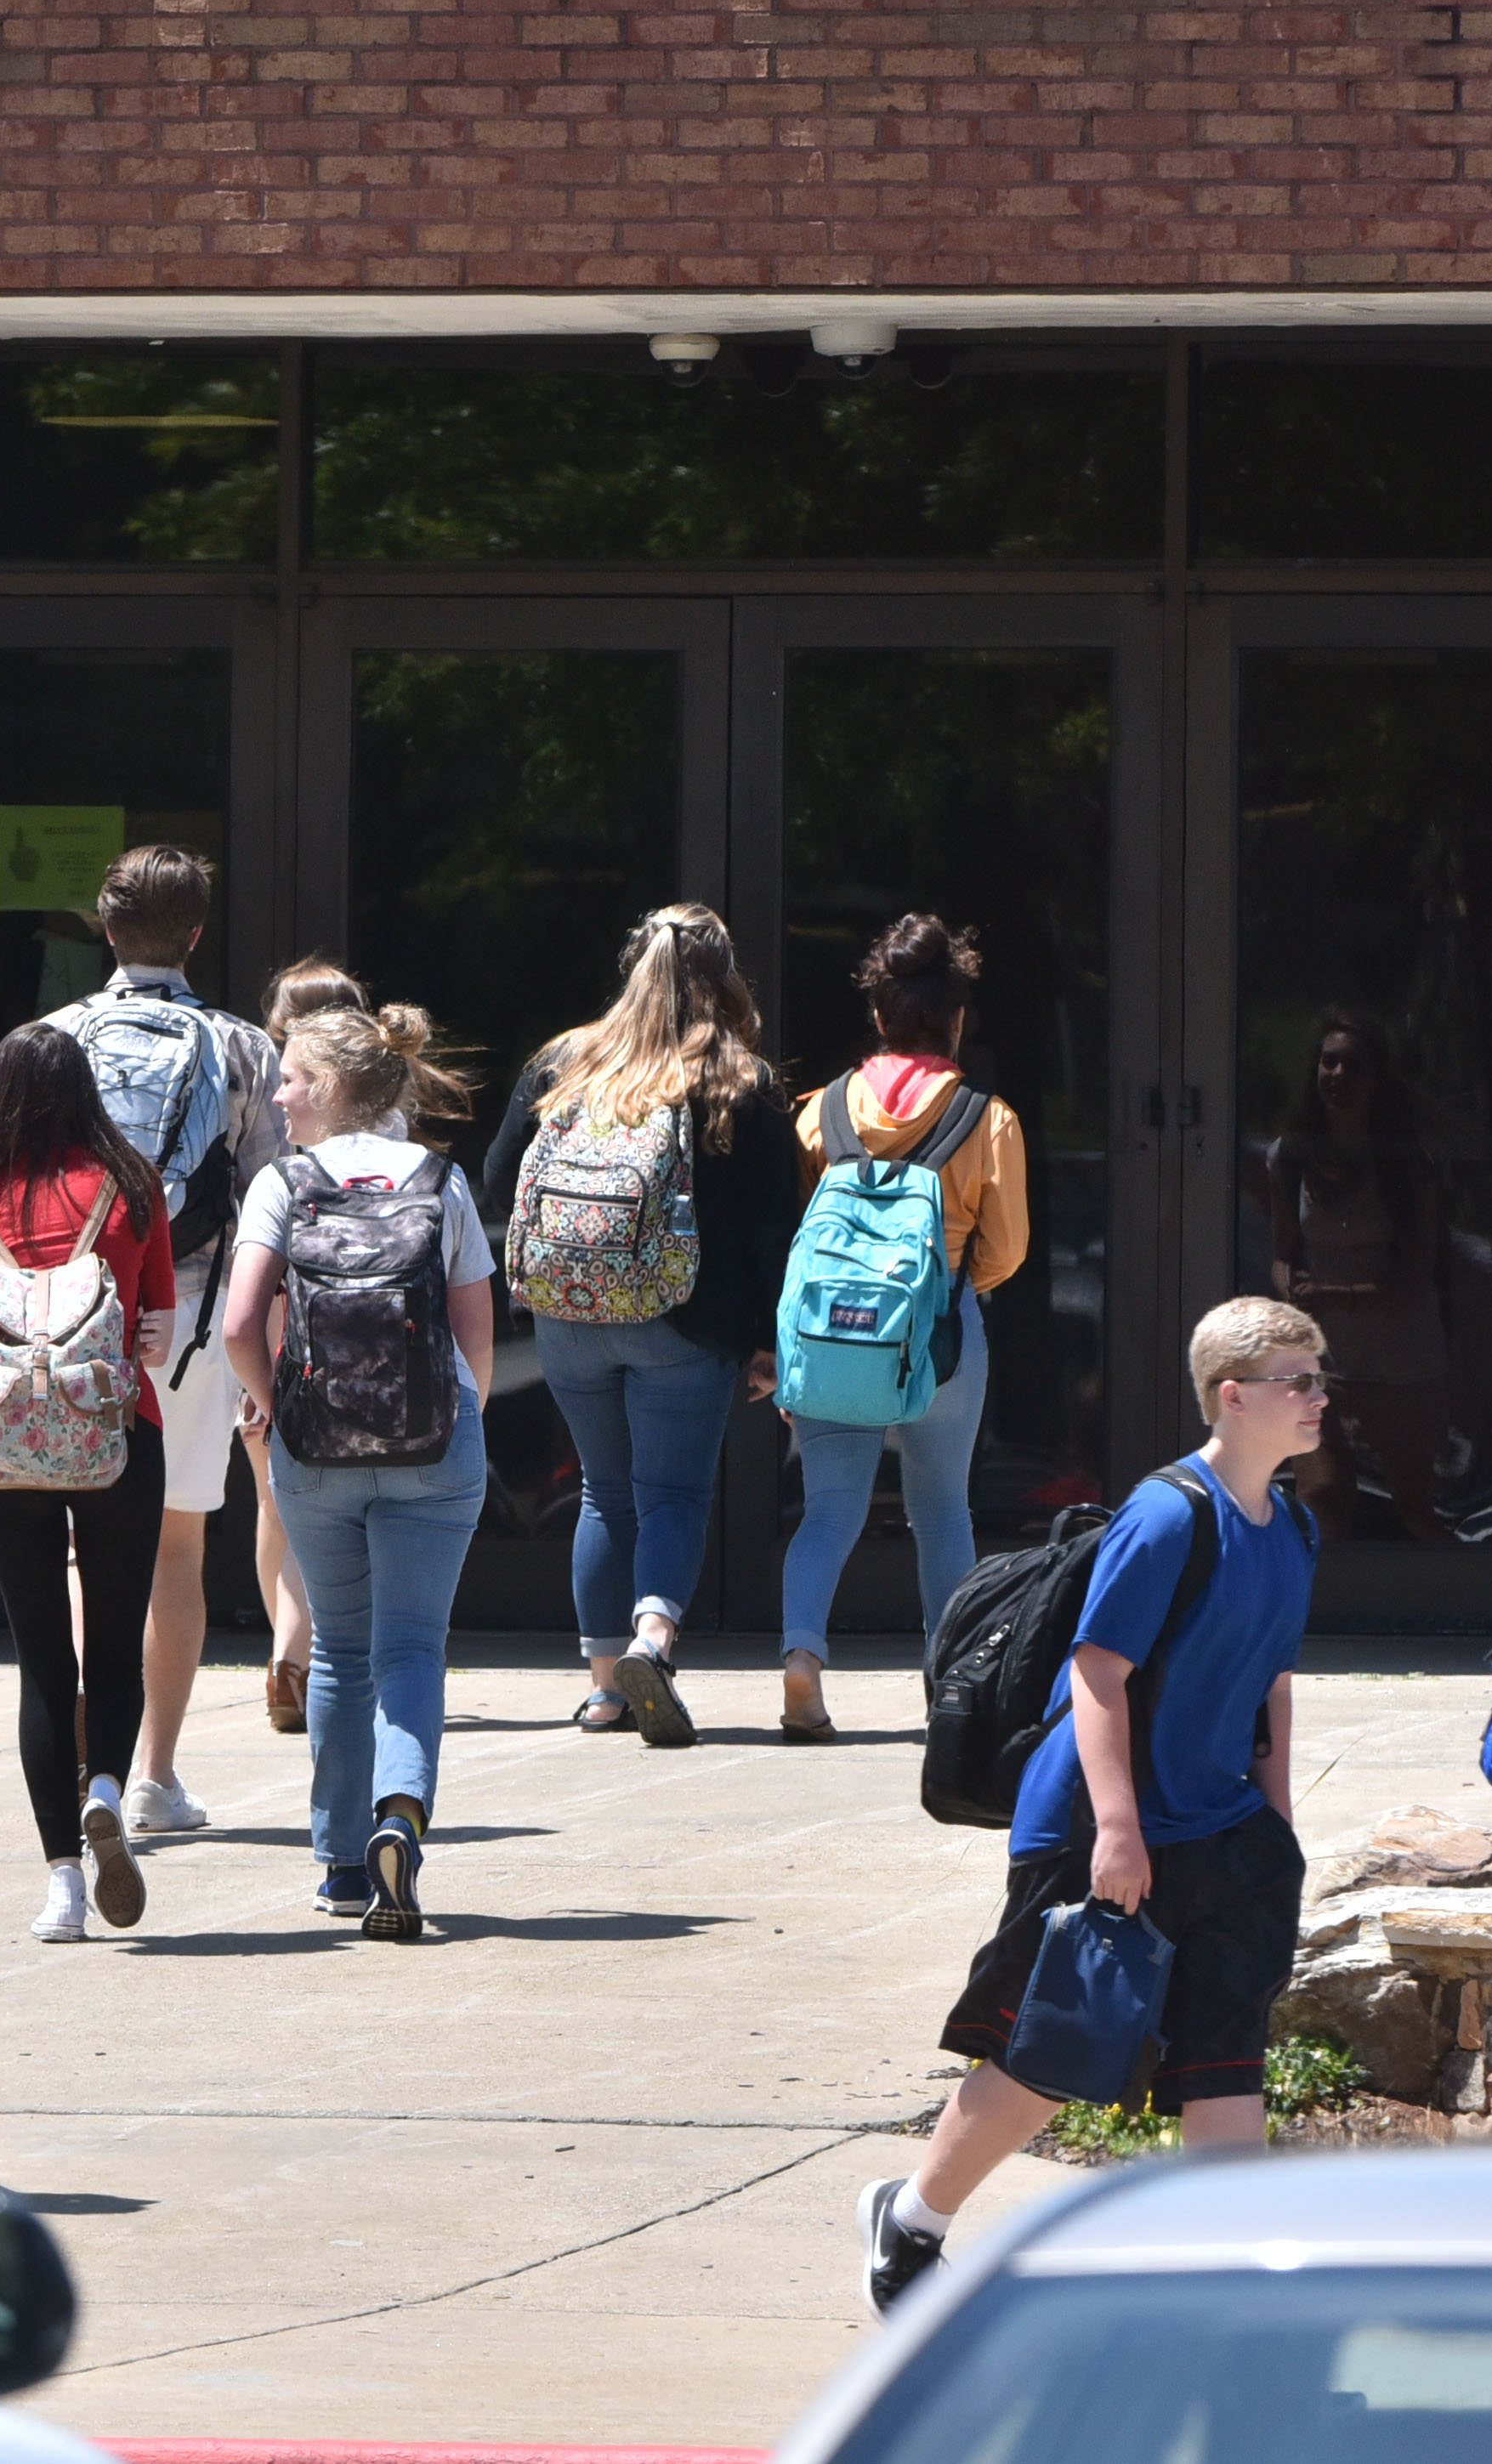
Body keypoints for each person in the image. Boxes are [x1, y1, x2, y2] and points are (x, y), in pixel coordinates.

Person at [860, 1295, 1327, 2314]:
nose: (1319, 1398)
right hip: (1095, 1823)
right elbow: (1097, 1674)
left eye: (1320, 1377)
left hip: (1224, 1828)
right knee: (1051, 2052)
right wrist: (1115, 1830)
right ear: (1233, 1396)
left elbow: (1272, 1684)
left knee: (1224, 2054)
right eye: (1299, 1380)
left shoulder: (1292, 1525)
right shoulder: (1170, 1515)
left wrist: (1276, 1825)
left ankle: (1228, 2290)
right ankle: (911, 2222)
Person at [478, 903, 796, 1749]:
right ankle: (653, 1642)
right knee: (673, 1496)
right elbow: (771, 1227)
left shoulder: (564, 1062)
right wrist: (766, 1341)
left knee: (603, 1494)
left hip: (566, 1316)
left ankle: (601, 1691)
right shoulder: (741, 1080)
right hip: (684, 1321)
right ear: (724, 976)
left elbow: (499, 1173)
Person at [218, 1003, 496, 1941]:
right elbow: (475, 1336)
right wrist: (460, 1423)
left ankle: (341, 1866)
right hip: (433, 1442)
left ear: (330, 1088)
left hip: (315, 1445)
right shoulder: (440, 1179)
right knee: (413, 1648)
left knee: (338, 1649)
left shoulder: (280, 1184)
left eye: (290, 1077)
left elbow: (235, 1327)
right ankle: (400, 1815)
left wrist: (271, 1403)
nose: (279, 1094)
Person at [37, 845, 285, 1831]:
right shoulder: (241, 1049)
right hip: (185, 1317)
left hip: (67, 1310)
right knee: (176, 1543)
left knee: (76, 1545)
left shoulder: (52, 1038)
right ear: (194, 934)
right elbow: (270, 1206)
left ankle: (86, 1761)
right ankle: (152, 1776)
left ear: (104, 929)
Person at [0, 1025, 177, 1941]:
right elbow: (152, 1318)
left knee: (44, 1665)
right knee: (114, 1648)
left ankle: (62, 1891)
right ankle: (107, 1786)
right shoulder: (130, 1186)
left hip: (4, 1447)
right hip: (115, 1431)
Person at [775, 915, 1033, 1741]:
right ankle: (950, 1685)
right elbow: (1006, 1253)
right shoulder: (985, 1120)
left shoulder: (818, 1113)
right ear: (954, 1017)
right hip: (939, 1334)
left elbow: (792, 1233)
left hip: (828, 1331)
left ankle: (800, 1662)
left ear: (879, 1014)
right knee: (941, 1511)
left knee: (827, 1511)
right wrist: (947, 1286)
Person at [1259, 1011, 1454, 1543]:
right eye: (1329, 1062)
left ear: (1377, 1080)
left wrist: (1329, 1293)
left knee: (1416, 1511)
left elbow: (1413, 1279)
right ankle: (1308, 1618)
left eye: (1353, 1066)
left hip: (1403, 1365)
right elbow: (1284, 1254)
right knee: (1320, 1502)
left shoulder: (1408, 1163)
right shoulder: (1289, 1156)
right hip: (1325, 1365)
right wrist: (1288, 1289)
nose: (1338, 1075)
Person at [246, 954, 372, 1731]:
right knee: (345, 1509)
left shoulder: (264, 1097)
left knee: (274, 1497)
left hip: (273, 1320)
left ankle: (286, 1651)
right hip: (361, 1341)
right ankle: (312, 1651)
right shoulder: (377, 1104)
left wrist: (256, 1377)